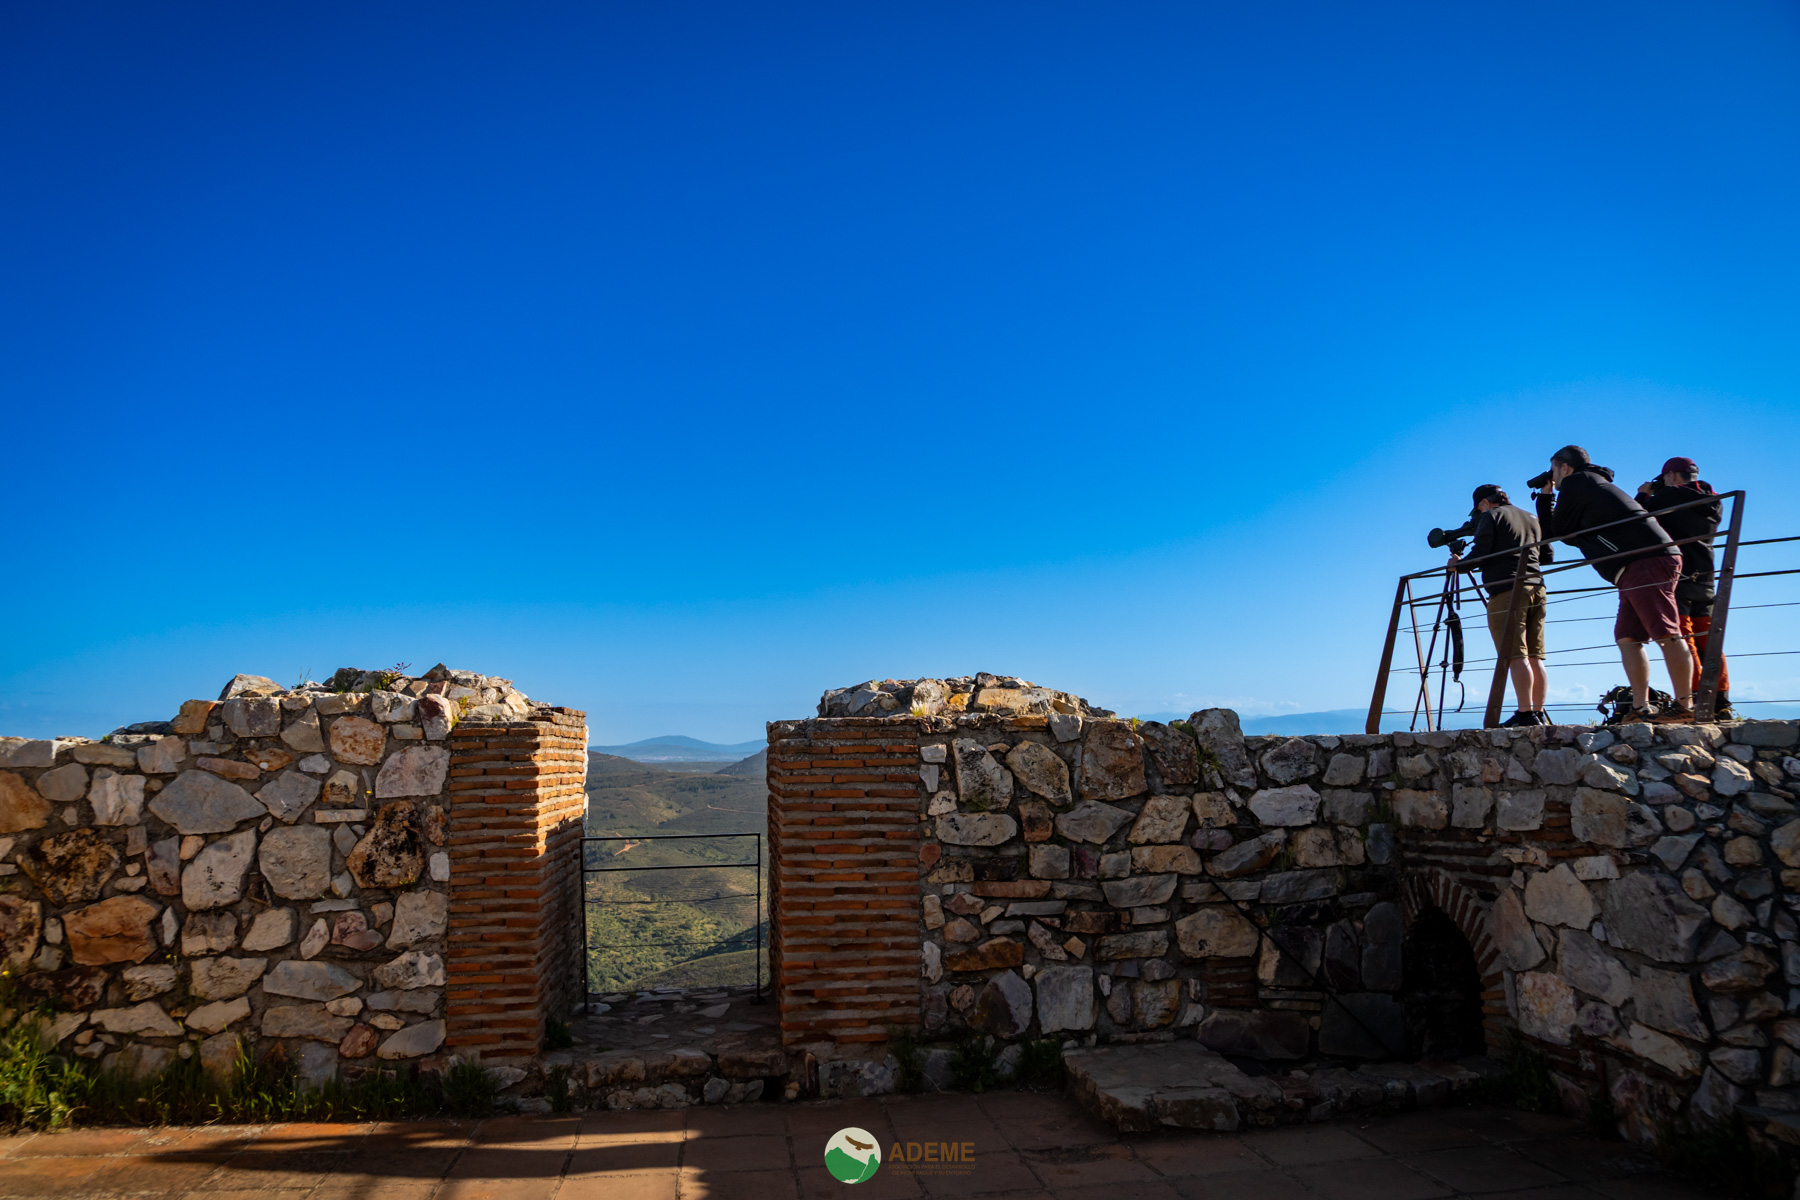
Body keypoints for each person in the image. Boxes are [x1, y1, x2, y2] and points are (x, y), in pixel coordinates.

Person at [1535, 444, 1692, 722]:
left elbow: (1556, 532)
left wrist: (1545, 500)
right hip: (1634, 565)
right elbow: (1567, 534)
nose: (1554, 479)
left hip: (1643, 560)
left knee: (1666, 633)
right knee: (1628, 637)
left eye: (1554, 472)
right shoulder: (1593, 484)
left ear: (1564, 467)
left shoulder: (1577, 482)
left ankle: (1685, 707)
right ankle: (1640, 708)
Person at [1638, 456, 1733, 718]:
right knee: (1709, 641)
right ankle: (1721, 701)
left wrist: (1644, 493)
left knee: (1684, 637)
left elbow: (1639, 517)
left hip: (1679, 576)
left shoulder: (1669, 496)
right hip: (1706, 577)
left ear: (1671, 476)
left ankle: (1693, 699)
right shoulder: (1714, 500)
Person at [1448, 484, 1550, 727]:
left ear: (1484, 503)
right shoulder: (1531, 517)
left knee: (1515, 654)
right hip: (1537, 587)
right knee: (1536, 656)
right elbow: (1547, 556)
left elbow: (1481, 552)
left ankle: (1525, 714)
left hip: (1507, 590)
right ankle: (1538, 712)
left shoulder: (1490, 516)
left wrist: (1457, 564)